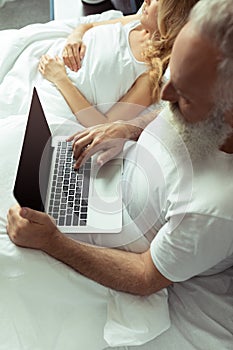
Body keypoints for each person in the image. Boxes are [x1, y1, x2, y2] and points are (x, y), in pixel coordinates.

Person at [7, 0, 233, 296]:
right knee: (14, 148)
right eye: (170, 78)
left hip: (125, 233)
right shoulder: (200, 93)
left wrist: (52, 241)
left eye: (184, 98)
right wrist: (130, 128)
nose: (164, 96)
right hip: (117, 172)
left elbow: (144, 276)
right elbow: (165, 109)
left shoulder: (214, 209)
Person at [38, 0, 198, 127]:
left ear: (172, 18)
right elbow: (88, 25)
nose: (146, 0)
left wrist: (60, 79)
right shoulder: (139, 22)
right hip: (48, 61)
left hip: (58, 94)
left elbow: (103, 124)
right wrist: (75, 37)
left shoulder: (151, 73)